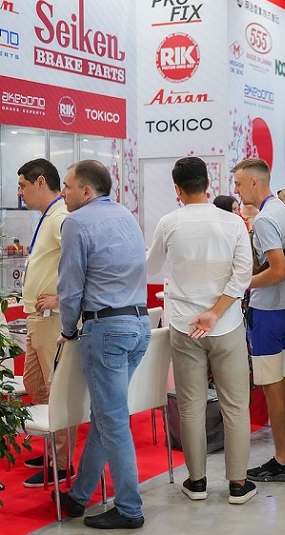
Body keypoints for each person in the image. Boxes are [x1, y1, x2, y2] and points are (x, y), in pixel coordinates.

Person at [146, 157, 256, 505]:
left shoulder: (169, 222)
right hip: (227, 325)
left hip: (183, 326)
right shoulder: (233, 222)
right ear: (208, 183)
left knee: (191, 406)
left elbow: (151, 267)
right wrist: (215, 313)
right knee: (235, 406)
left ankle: (197, 483)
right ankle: (238, 485)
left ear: (177, 189)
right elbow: (243, 276)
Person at [53, 160, 151, 530]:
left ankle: (129, 509)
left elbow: (70, 288)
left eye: (67, 186)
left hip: (106, 329)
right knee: (106, 416)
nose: (63, 193)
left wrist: (68, 329)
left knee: (113, 421)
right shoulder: (126, 215)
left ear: (86, 191)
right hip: (139, 324)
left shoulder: (76, 223)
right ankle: (79, 495)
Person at [233, 158, 285, 482]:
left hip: (268, 312)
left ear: (254, 182)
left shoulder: (264, 218)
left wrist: (242, 283)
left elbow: (278, 270)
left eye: (238, 184)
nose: (236, 190)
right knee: (283, 385)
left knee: (272, 388)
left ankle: (282, 459)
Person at [15, 159, 76, 488]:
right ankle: (53, 451)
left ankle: (62, 464)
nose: (20, 193)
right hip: (38, 318)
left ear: (41, 182)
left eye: (23, 185)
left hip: (52, 319)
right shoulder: (49, 217)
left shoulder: (60, 217)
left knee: (56, 390)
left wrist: (62, 298)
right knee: (35, 383)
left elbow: (81, 259)